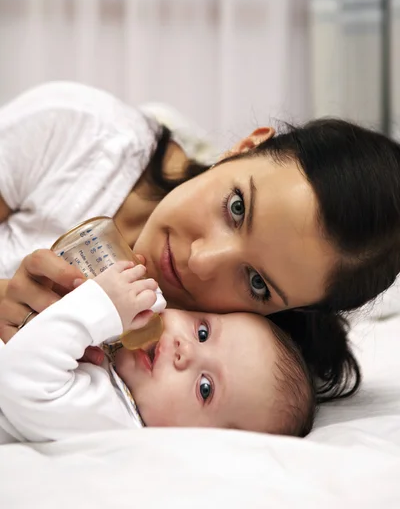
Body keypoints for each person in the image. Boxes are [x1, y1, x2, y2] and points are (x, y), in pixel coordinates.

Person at [1, 82, 400, 401]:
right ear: (246, 147)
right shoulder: (78, 134)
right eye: (237, 207)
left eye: (257, 283)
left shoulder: (206, 368)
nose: (201, 261)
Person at [0, 262, 315, 443]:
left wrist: (102, 305)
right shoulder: (127, 383)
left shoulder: (118, 426)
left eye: (205, 388)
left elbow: (21, 378)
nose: (185, 350)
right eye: (202, 332)